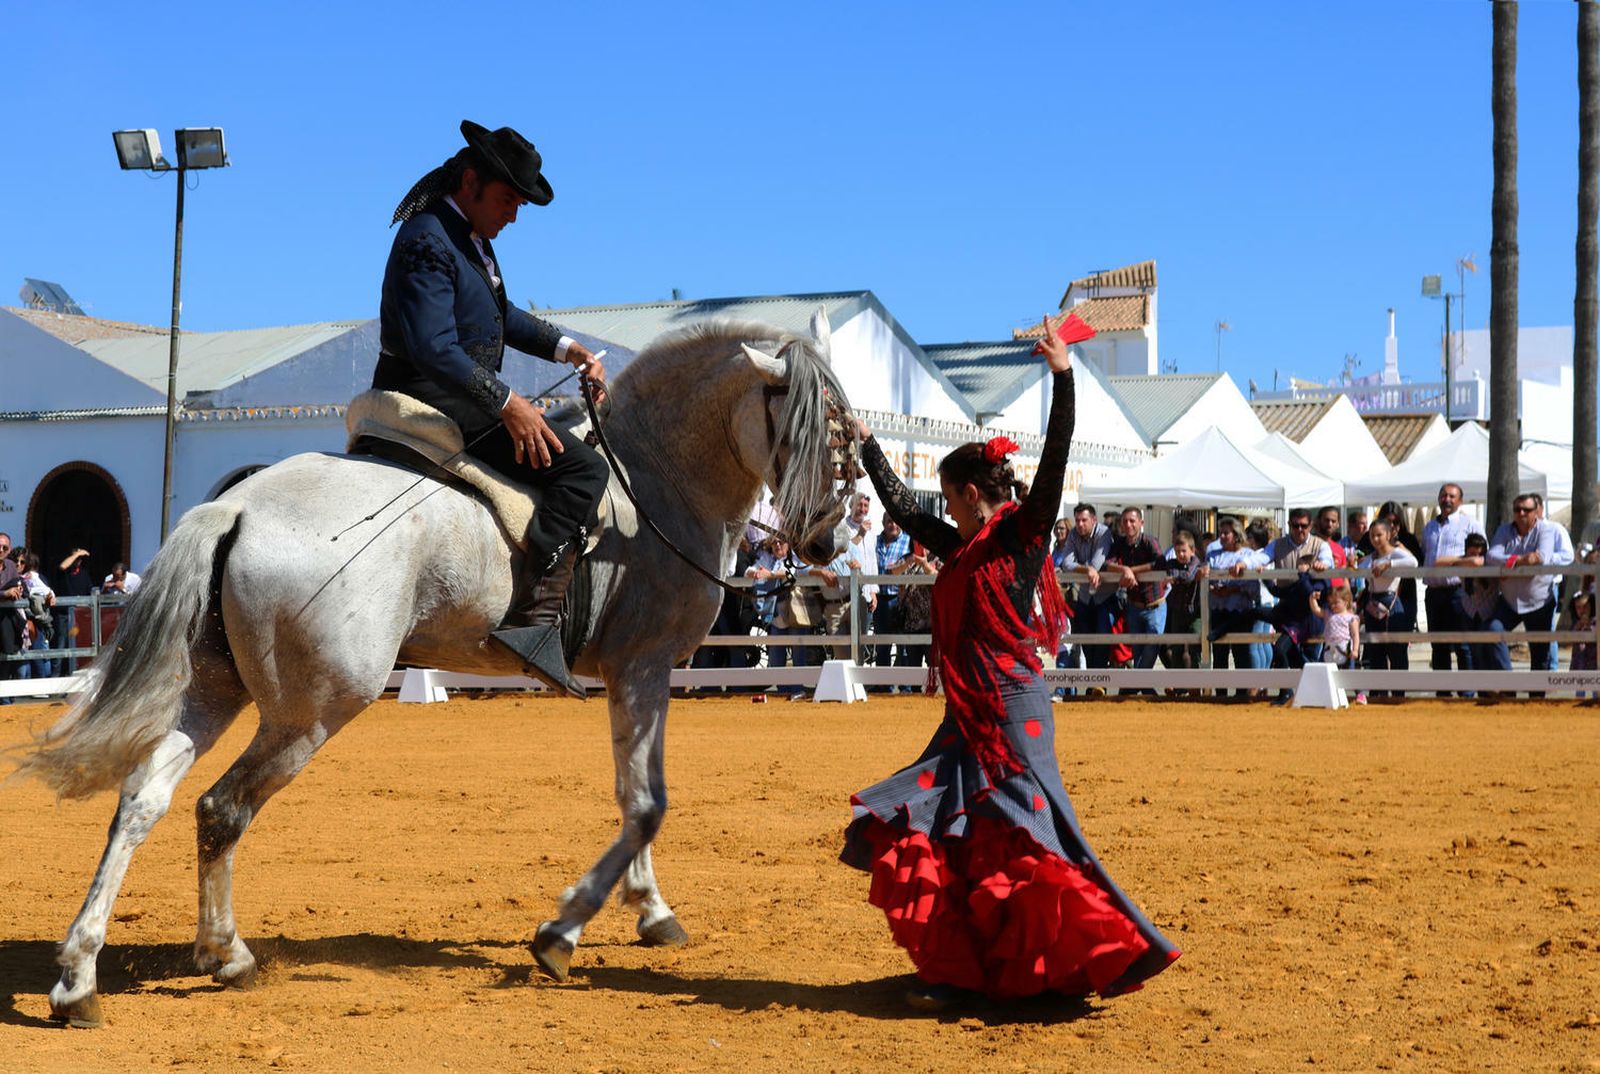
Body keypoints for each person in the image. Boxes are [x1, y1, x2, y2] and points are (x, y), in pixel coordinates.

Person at [841, 324, 1178, 1011]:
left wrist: (1062, 377)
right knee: (952, 830)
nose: (942, 511)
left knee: (1023, 837)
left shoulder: (1023, 533)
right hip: (970, 711)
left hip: (1013, 709)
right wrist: (866, 443)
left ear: (968, 493)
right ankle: (962, 972)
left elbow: (1054, 459)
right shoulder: (963, 544)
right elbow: (904, 509)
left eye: (948, 497)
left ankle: (1047, 973)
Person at [375, 120, 609, 699]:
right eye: (508, 200)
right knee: (584, 469)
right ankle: (533, 621)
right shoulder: (427, 237)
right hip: (431, 392)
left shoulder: (471, 240)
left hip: (462, 390)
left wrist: (568, 348)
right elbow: (433, 348)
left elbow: (504, 318)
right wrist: (509, 403)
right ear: (472, 182)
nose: (514, 214)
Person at [1484, 493, 1572, 689]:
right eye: (1517, 509)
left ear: (1536, 512)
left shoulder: (1546, 529)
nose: (1521, 513)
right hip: (1509, 601)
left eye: (1526, 509)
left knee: (1540, 653)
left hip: (1539, 601)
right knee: (1492, 631)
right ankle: (1509, 685)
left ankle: (1537, 697)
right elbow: (1492, 555)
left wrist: (1508, 565)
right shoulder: (1504, 530)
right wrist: (1520, 561)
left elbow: (1540, 557)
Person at [1420, 482, 1484, 687]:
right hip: (1434, 592)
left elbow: (1482, 558)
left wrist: (1452, 562)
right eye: (1443, 495)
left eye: (1452, 496)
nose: (1447, 499)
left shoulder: (1470, 524)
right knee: (1438, 645)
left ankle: (1467, 691)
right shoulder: (1429, 527)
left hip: (1459, 591)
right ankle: (1443, 690)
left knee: (1463, 644)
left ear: (1460, 501)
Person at [1107, 507, 1168, 687]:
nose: (1128, 524)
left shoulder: (1150, 541)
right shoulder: (1119, 543)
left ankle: (1134, 685)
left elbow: (1160, 563)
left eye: (1132, 521)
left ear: (1141, 523)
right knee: (1138, 649)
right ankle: (1142, 687)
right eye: (1125, 521)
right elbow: (1107, 563)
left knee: (1151, 646)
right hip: (1134, 604)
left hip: (1154, 604)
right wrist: (1124, 570)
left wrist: (1131, 571)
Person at [1207, 518, 1267, 692]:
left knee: (1242, 652)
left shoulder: (1248, 555)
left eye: (1227, 533)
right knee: (1219, 653)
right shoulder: (1213, 554)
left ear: (1236, 534)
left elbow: (1252, 585)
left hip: (1240, 610)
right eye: (1221, 533)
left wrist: (1231, 590)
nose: (1223, 536)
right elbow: (1207, 574)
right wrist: (1214, 588)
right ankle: (1221, 692)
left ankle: (1242, 692)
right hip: (1219, 608)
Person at [1057, 503, 1117, 676]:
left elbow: (1097, 564)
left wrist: (1087, 569)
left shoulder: (1103, 532)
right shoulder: (1074, 534)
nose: (1080, 524)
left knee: (1102, 638)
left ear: (1093, 520)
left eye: (1084, 520)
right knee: (1085, 640)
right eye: (1077, 520)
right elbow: (1066, 563)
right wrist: (1087, 570)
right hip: (1085, 596)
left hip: (1104, 596)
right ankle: (1094, 680)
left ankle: (1099, 681)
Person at [1360, 519, 1418, 694]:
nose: (1376, 539)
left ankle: (1399, 693)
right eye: (1372, 535)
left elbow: (1413, 562)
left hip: (1392, 603)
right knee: (1376, 650)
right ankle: (1380, 692)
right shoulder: (1370, 557)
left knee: (1397, 651)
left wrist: (1390, 564)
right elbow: (1359, 567)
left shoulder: (1396, 553)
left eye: (1379, 535)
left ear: (1388, 534)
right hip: (1373, 603)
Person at [871, 511, 912, 675]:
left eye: (895, 521)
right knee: (882, 644)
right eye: (889, 521)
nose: (892, 525)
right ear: (883, 523)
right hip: (879, 599)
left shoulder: (909, 541)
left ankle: (905, 685)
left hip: (900, 598)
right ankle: (883, 684)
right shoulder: (875, 541)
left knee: (903, 645)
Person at [1308, 585, 1363, 703]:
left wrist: (1355, 650)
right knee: (1326, 673)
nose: (1332, 606)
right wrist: (1312, 599)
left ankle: (1360, 695)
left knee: (1350, 674)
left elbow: (1355, 636)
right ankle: (1325, 696)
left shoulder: (1351, 618)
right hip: (1329, 649)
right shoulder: (1328, 614)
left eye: (1336, 602)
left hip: (1345, 649)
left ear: (1346, 602)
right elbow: (1316, 610)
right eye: (1330, 603)